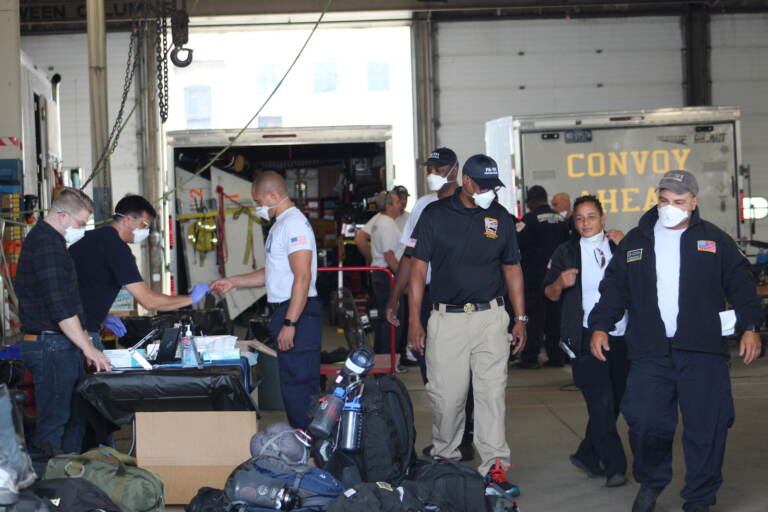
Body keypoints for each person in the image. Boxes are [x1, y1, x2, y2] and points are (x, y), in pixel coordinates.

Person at [589, 170, 762, 512]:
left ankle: (699, 499)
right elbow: (614, 288)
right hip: (651, 351)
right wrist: (600, 325)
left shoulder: (715, 241)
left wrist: (751, 326)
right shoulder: (637, 241)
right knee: (643, 420)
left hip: (702, 350)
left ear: (694, 202)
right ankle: (651, 482)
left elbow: (742, 285)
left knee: (706, 428)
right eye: (664, 201)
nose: (670, 208)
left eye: (679, 202)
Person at [406, 154, 527, 497]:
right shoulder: (435, 215)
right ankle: (446, 459)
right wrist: (415, 319)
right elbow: (417, 271)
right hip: (448, 320)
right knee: (448, 398)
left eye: (494, 186)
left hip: (491, 318)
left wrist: (520, 318)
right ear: (467, 182)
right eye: (484, 186)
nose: (490, 191)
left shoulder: (499, 217)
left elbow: (512, 269)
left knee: (491, 395)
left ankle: (495, 468)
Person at [383, 147, 475, 461]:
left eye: (439, 168)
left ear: (455, 169)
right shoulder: (422, 206)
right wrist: (395, 298)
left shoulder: (470, 202)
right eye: (430, 168)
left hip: (462, 297)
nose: (433, 174)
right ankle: (448, 434)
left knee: (463, 370)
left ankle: (465, 435)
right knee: (430, 367)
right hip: (427, 295)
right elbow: (409, 255)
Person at [212, 171, 320, 430]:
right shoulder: (280, 225)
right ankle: (303, 445)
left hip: (298, 314)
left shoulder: (293, 224)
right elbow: (272, 273)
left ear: (273, 195)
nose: (257, 207)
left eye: (258, 201)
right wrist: (234, 281)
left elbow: (302, 277)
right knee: (292, 386)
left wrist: (290, 322)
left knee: (300, 387)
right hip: (288, 310)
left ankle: (312, 450)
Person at [16, 187, 111, 454]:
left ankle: (68, 483)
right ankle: (52, 488)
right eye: (80, 223)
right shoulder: (47, 247)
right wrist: (88, 347)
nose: (81, 228)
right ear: (61, 215)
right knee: (55, 423)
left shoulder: (53, 242)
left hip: (58, 345)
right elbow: (60, 309)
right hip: (51, 346)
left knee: (74, 419)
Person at [542, 195, 629, 488]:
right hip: (583, 335)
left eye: (591, 216)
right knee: (601, 402)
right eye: (579, 218)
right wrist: (559, 283)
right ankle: (615, 466)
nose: (585, 223)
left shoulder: (620, 244)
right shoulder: (565, 252)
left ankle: (586, 454)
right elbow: (549, 294)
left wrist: (628, 244)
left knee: (615, 401)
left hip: (622, 334)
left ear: (603, 218)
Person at [69, 195, 210, 346]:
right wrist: (191, 299)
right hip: (80, 333)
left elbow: (80, 284)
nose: (146, 231)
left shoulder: (89, 238)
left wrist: (99, 315)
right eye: (145, 225)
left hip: (70, 326)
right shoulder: (117, 248)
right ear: (127, 220)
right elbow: (148, 301)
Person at [516, 185, 570, 368]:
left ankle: (530, 356)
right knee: (554, 317)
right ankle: (556, 356)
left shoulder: (529, 220)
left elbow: (517, 246)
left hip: (534, 277)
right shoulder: (561, 220)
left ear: (532, 201)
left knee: (534, 317)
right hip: (556, 278)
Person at [369, 189, 407, 355]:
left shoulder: (381, 221)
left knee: (386, 318)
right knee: (392, 318)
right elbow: (390, 256)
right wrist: (403, 280)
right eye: (398, 202)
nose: (402, 205)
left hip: (382, 274)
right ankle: (387, 359)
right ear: (389, 205)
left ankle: (383, 359)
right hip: (388, 275)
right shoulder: (387, 224)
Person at [354, 185, 409, 265]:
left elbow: (414, 240)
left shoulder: (411, 218)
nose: (402, 202)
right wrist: (373, 259)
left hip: (404, 266)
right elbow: (360, 238)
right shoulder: (382, 218)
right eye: (399, 199)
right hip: (389, 268)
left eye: (405, 198)